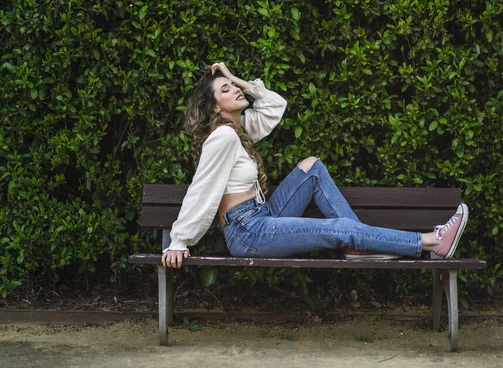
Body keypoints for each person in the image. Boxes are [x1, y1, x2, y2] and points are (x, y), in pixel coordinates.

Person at [161, 63, 469, 269]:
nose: (235, 90)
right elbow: (202, 188)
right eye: (225, 90)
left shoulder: (241, 130)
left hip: (260, 218)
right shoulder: (224, 137)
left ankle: (358, 243)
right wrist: (179, 240)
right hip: (248, 232)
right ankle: (431, 241)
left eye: (233, 86)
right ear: (215, 107)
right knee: (340, 228)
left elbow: (274, 105)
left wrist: (236, 78)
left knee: (312, 167)